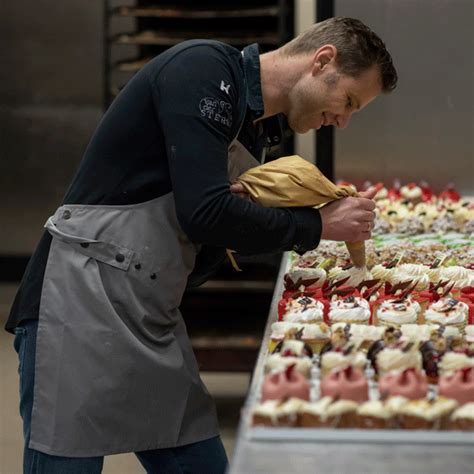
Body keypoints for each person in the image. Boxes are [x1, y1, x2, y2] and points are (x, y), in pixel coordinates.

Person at [6, 16, 397, 474]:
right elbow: (205, 213)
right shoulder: (204, 69)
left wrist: (248, 216)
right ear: (322, 60)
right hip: (79, 302)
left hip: (149, 313)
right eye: (347, 100)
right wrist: (314, 225)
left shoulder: (257, 131)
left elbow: (210, 236)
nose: (343, 121)